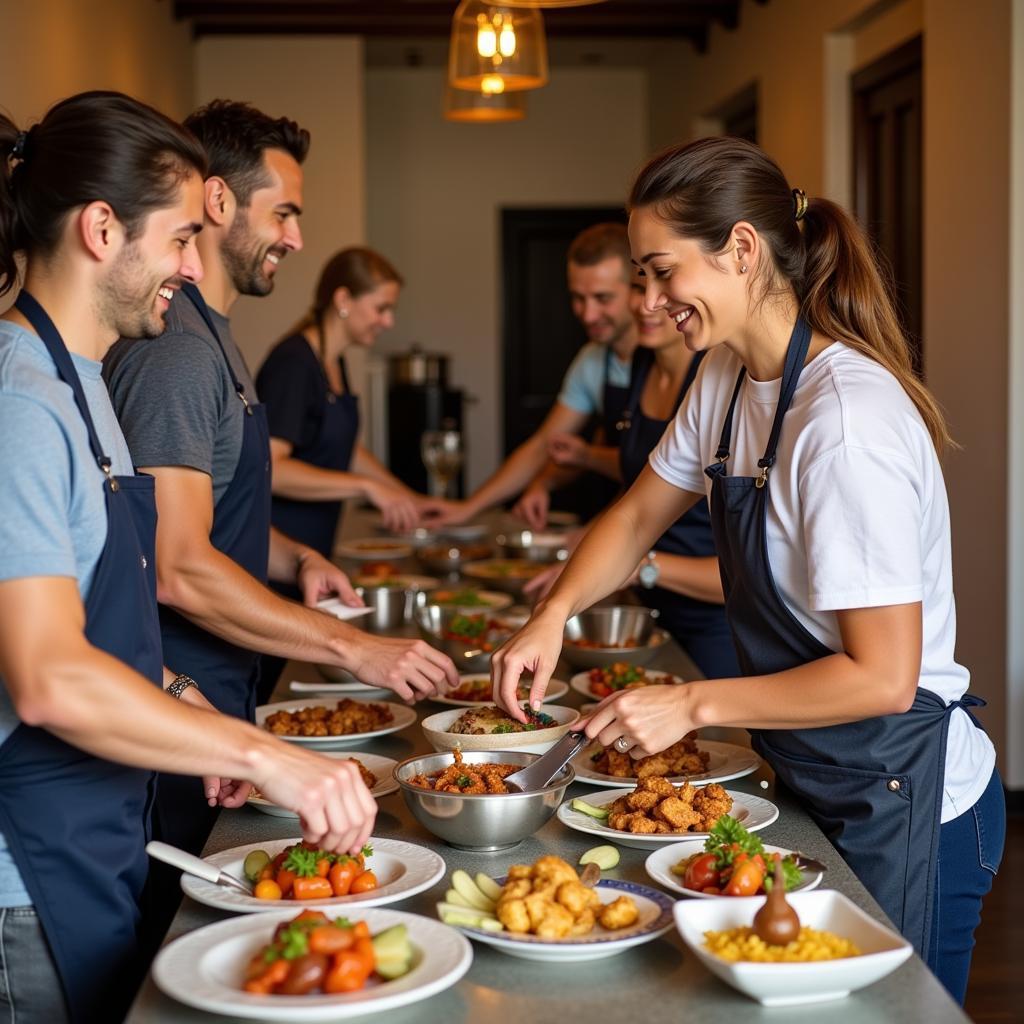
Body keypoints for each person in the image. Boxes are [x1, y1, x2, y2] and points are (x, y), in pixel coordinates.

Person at [492, 136, 1003, 1003]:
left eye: (660, 273)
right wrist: (552, 616)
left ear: (740, 248)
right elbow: (638, 515)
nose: (649, 303)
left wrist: (692, 702)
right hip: (814, 770)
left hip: (905, 793)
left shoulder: (845, 425)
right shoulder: (727, 375)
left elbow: (882, 678)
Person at [0, 91, 376, 1024]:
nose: (188, 264)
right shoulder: (20, 404)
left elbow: (87, 620)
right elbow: (45, 677)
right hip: (26, 866)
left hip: (95, 830)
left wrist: (178, 699)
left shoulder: (79, 384)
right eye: (177, 240)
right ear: (100, 230)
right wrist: (265, 753)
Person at [103, 101, 456, 893]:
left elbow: (210, 517)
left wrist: (296, 558)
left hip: (219, 685)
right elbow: (179, 566)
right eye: (285, 213)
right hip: (180, 700)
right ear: (218, 202)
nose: (297, 239)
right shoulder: (179, 356)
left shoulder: (214, 338)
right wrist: (354, 648)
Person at [526, 266, 738, 679]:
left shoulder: (723, 378)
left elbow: (758, 573)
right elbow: (639, 505)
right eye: (638, 286)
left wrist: (640, 565)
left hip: (719, 625)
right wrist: (561, 603)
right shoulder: (670, 368)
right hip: (651, 609)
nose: (646, 303)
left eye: (661, 279)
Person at [257, 247, 454, 559]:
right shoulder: (293, 364)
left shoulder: (333, 362)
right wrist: (366, 487)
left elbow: (342, 448)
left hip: (316, 548)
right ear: (344, 300)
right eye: (381, 308)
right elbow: (272, 468)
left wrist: (405, 497)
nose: (388, 321)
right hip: (282, 555)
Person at [439, 222, 636, 529]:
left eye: (603, 298)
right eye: (578, 298)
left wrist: (595, 533)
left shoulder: (674, 359)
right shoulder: (592, 360)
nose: (587, 314)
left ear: (637, 288)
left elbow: (658, 471)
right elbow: (543, 444)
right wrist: (468, 509)